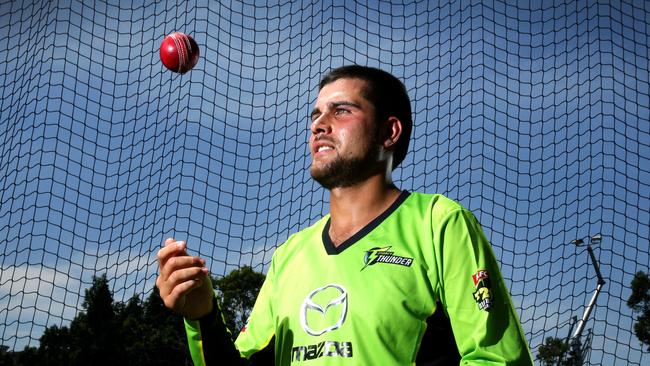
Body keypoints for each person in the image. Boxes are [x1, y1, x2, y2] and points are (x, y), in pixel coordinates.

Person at [156, 65, 534, 365]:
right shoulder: (291, 255)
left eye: (342, 111)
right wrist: (202, 316)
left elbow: (496, 358)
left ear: (390, 131)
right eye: (316, 114)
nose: (319, 124)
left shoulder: (439, 223)